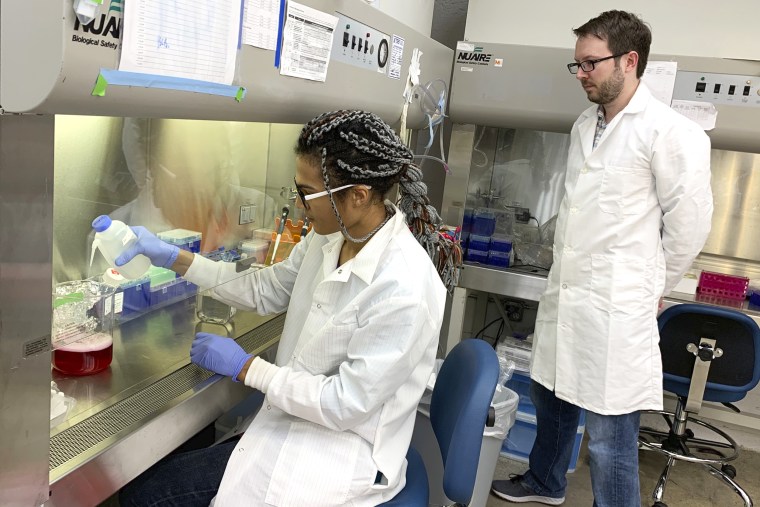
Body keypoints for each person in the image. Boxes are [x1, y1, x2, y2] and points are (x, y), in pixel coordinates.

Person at [117, 109, 461, 506]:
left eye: (306, 193)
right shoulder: (332, 237)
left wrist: (248, 368)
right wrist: (175, 258)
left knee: (150, 495)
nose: (299, 206)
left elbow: (342, 403)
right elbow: (265, 289)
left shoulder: (404, 286)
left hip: (339, 450)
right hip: (295, 423)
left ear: (358, 196)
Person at [491, 10, 713, 507]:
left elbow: (690, 225)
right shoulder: (582, 126)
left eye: (590, 63)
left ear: (630, 61)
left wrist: (648, 286)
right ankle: (546, 483)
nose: (582, 74)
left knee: (611, 437)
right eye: (577, 65)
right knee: (550, 398)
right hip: (567, 296)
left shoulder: (671, 133)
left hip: (618, 307)